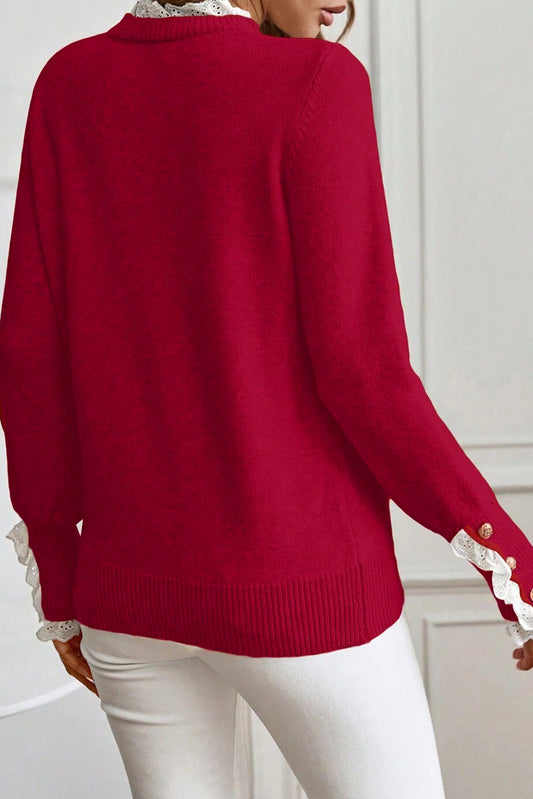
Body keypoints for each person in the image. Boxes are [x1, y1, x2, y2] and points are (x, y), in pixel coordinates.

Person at [1, 0, 532, 796]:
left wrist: (59, 572)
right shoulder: (317, 82)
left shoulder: (69, 83)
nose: (342, 2)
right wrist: (510, 559)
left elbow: (29, 355)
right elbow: (363, 372)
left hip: (126, 598)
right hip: (300, 588)